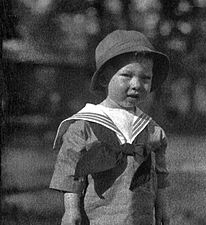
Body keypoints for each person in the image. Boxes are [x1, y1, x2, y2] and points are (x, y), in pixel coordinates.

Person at [50, 30, 170, 225]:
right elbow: (69, 170)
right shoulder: (85, 124)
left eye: (145, 78)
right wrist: (71, 210)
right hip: (99, 216)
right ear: (105, 78)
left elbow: (160, 173)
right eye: (127, 75)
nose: (136, 84)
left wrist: (162, 207)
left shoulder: (151, 129)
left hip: (141, 217)